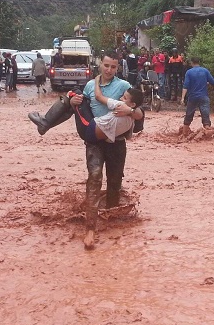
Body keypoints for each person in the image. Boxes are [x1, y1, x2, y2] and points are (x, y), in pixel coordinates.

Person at [28, 52, 145, 249]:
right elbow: (85, 101)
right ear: (100, 64)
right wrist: (74, 102)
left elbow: (142, 113)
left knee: (115, 183)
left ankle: (112, 219)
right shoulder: (91, 85)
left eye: (113, 67)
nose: (109, 70)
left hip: (116, 142)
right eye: (106, 65)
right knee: (95, 176)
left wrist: (131, 111)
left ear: (118, 68)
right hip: (95, 142)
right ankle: (91, 228)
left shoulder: (125, 87)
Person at [70, 76, 143, 144]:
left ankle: (69, 96)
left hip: (88, 128)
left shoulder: (121, 105)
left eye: (124, 98)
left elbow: (98, 97)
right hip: (98, 137)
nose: (121, 98)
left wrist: (96, 82)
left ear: (133, 104)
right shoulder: (131, 121)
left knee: (77, 93)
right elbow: (125, 136)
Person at [180, 57, 214, 133]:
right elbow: (213, 82)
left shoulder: (189, 72)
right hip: (204, 96)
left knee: (189, 114)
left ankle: (184, 132)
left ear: (191, 62)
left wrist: (182, 98)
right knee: (205, 114)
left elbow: (185, 86)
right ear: (199, 62)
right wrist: (206, 83)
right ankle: (207, 131)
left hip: (193, 97)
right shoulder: (205, 71)